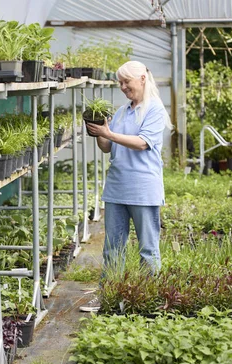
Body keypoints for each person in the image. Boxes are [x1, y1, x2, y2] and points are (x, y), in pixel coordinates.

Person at [80, 60, 172, 312]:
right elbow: (108, 147)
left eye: (126, 82)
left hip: (143, 189)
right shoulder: (122, 111)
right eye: (120, 82)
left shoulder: (154, 109)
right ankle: (109, 299)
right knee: (112, 249)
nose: (122, 87)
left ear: (142, 78)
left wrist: (108, 134)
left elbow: (143, 143)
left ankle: (148, 299)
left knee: (148, 248)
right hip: (117, 188)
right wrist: (100, 132)